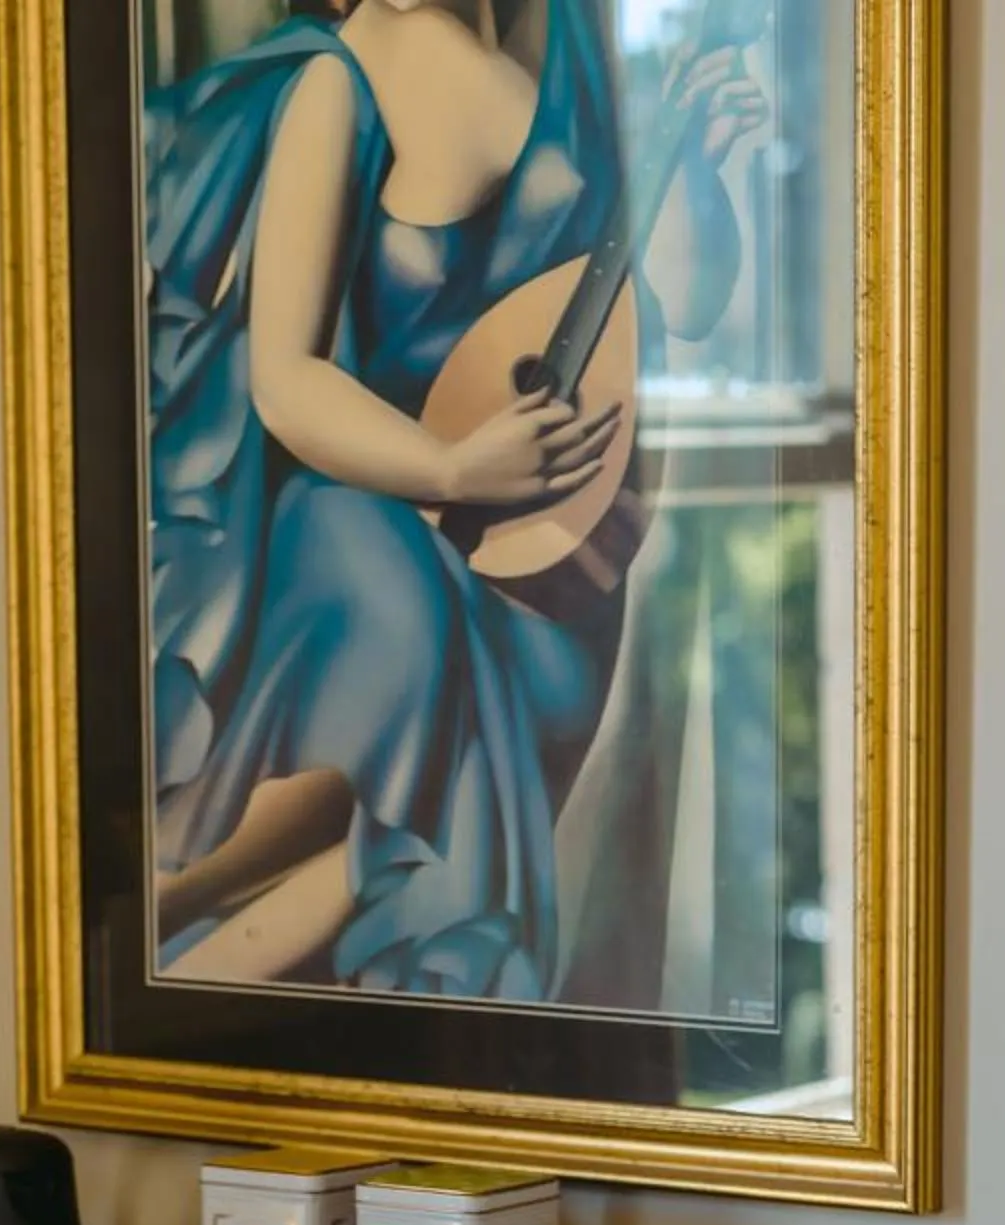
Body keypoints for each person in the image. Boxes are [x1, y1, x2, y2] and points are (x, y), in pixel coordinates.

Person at [145, 0, 766, 1001]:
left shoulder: (575, 45)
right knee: (399, 645)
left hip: (548, 562)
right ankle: (147, 983)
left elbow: (683, 306)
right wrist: (449, 474)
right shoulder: (331, 84)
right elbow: (284, 380)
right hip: (377, 537)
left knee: (391, 847)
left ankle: (163, 986)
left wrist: (688, 158)